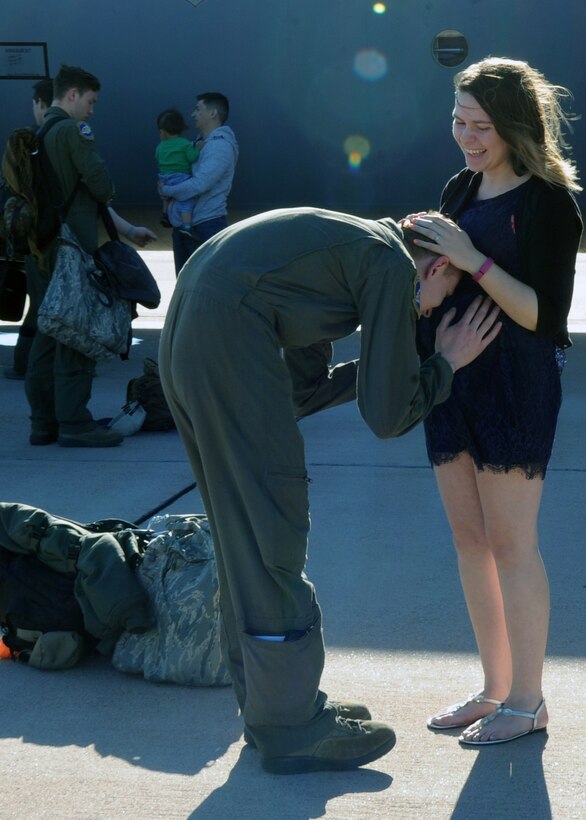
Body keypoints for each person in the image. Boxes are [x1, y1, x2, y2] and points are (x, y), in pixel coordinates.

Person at [158, 205, 501, 774]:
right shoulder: (391, 266)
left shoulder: (348, 248)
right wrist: (444, 363)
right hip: (224, 342)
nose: (432, 309)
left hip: (194, 337)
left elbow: (302, 390)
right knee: (272, 531)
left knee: (243, 535)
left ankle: (273, 709)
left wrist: (407, 362)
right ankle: (292, 727)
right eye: (443, 295)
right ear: (436, 267)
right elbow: (389, 416)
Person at [411, 57, 583, 745]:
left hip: (516, 384)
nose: (467, 137)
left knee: (512, 543)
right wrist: (429, 290)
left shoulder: (550, 202)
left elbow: (546, 315)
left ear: (515, 125)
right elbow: (434, 290)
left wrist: (470, 257)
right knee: (470, 541)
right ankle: (494, 689)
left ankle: (529, 701)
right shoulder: (459, 187)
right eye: (458, 121)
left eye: (482, 125)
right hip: (452, 379)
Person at [25, 64, 156, 448]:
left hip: (45, 250)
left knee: (46, 336)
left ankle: (42, 423)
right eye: (90, 101)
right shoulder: (72, 131)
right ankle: (74, 424)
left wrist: (128, 228)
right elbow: (101, 185)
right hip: (72, 251)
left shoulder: (39, 135)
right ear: (71, 96)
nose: (92, 110)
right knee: (75, 335)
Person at [4, 78, 54, 381]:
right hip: (48, 238)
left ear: (40, 104)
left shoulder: (30, 142)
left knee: (36, 306)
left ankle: (24, 364)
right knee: (40, 306)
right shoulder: (52, 140)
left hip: (34, 239)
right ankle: (28, 365)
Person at [159, 92, 238, 274]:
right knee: (186, 286)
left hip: (205, 227)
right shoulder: (198, 143)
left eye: (197, 109)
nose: (193, 114)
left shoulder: (221, 146)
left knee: (203, 288)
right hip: (187, 227)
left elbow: (200, 184)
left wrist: (168, 190)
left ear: (213, 113)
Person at [155, 108, 200, 231]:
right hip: (180, 177)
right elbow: (192, 157)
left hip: (164, 177)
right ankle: (187, 227)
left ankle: (165, 214)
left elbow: (158, 158)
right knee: (186, 201)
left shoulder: (160, 146)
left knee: (166, 197)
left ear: (163, 130)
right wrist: (197, 148)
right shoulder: (184, 143)